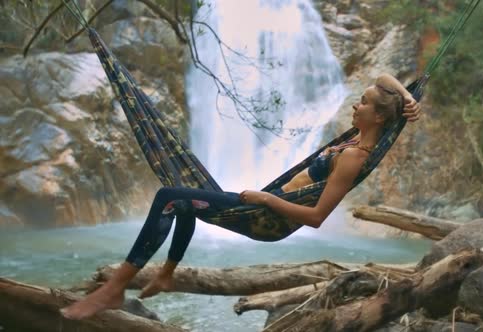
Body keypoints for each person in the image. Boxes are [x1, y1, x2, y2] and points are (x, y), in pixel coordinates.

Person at [60, 73, 421, 320]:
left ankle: (115, 287)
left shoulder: (354, 157)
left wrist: (264, 200)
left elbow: (316, 217)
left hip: (268, 219)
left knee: (169, 195)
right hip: (262, 206)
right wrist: (406, 96)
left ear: (377, 117)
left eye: (363, 103)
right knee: (185, 201)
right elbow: (383, 81)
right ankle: (167, 274)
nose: (356, 106)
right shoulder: (355, 139)